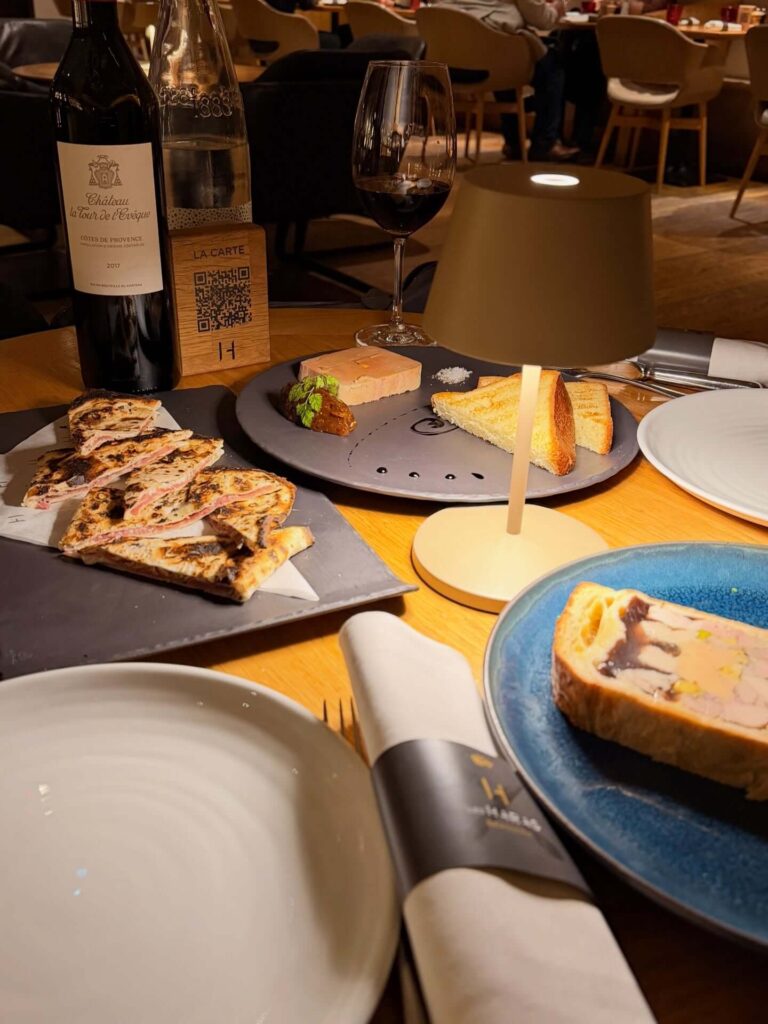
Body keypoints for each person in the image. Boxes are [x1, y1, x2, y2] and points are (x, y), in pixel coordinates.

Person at [432, 0, 580, 161]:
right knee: (552, 67)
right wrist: (557, 9)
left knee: (503, 60)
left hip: (449, 65)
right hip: (492, 57)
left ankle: (513, 143)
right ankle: (545, 144)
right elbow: (542, 19)